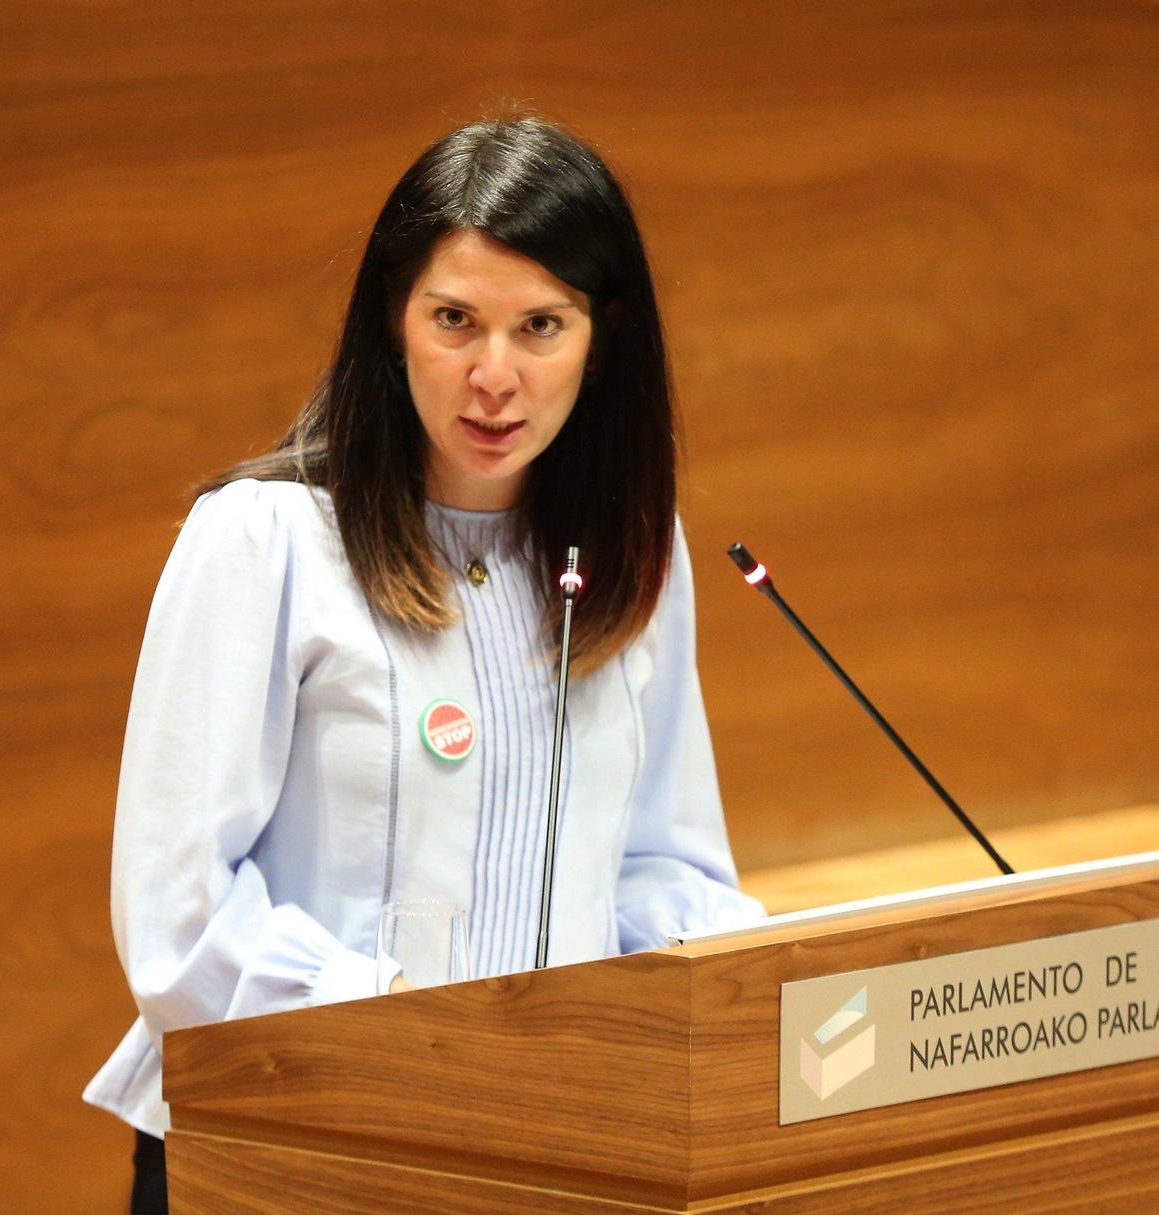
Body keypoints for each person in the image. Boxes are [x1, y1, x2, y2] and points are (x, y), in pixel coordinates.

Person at [80, 116, 766, 1214]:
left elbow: (656, 870)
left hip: (553, 1154)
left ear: (601, 343)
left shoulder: (635, 548)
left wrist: (767, 996)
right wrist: (412, 1032)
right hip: (295, 1148)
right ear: (390, 324)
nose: (493, 376)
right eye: (455, 321)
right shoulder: (263, 541)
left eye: (540, 326)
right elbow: (181, 922)